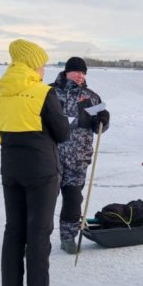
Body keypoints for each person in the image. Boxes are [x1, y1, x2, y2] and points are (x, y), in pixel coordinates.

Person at [0, 39, 70, 286]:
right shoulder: (42, 92)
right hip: (41, 170)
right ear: (32, 64)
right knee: (38, 233)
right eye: (42, 63)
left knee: (14, 231)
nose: (44, 69)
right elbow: (62, 133)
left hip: (11, 169)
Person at [49, 57, 110, 253]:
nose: (80, 76)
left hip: (78, 160)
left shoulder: (91, 97)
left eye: (83, 73)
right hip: (51, 158)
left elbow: (98, 128)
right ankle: (38, 239)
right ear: (67, 71)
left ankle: (68, 238)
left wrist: (103, 120)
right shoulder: (48, 93)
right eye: (76, 72)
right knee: (44, 202)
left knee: (73, 202)